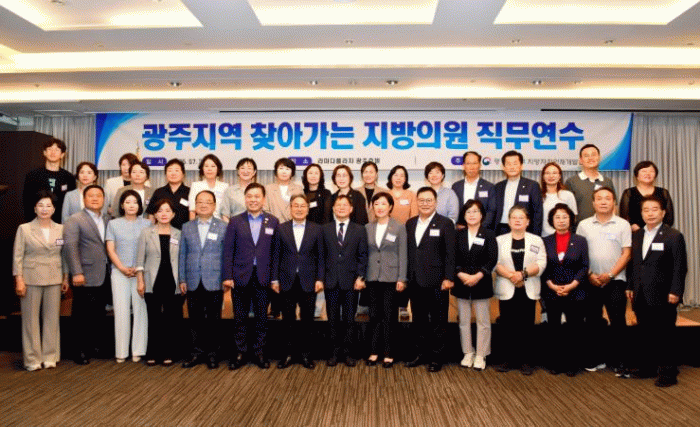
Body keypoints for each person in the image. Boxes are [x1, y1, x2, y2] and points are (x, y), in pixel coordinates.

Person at [625, 195, 687, 387]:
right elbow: (635, 264)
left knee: (665, 335)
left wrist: (676, 291)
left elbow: (680, 267)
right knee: (645, 333)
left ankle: (668, 374)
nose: (650, 213)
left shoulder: (673, 235)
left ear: (663, 212)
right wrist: (630, 285)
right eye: (646, 210)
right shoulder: (637, 235)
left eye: (654, 209)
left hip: (664, 294)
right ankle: (647, 368)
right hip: (640, 293)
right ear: (641, 213)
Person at [223, 183, 280, 370]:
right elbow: (228, 250)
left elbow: (275, 253)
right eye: (249, 196)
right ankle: (240, 352)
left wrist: (274, 278)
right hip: (240, 275)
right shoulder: (235, 221)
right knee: (239, 317)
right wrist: (227, 275)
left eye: (257, 196)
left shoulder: (273, 221)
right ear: (245, 199)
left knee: (262, 317)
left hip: (263, 277)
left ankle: (259, 352)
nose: (253, 200)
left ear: (263, 199)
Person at [576, 187, 631, 374]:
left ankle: (619, 360)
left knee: (618, 321)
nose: (603, 201)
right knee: (592, 321)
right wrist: (590, 274)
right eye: (599, 198)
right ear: (593, 203)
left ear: (614, 202)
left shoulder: (623, 224)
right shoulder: (584, 225)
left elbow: (627, 253)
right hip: (590, 280)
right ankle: (594, 358)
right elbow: (579, 254)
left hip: (615, 280)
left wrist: (611, 274)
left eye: (608, 198)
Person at [13, 191, 69, 370]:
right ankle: (32, 359)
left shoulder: (61, 229)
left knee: (52, 319)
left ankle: (50, 356)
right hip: (31, 278)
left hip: (54, 277)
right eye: (41, 205)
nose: (45, 209)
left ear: (54, 209)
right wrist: (19, 279)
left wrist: (65, 277)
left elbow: (64, 256)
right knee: (30, 321)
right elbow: (17, 257)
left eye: (48, 206)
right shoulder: (24, 229)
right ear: (34, 208)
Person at [404, 187, 455, 373]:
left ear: (435, 202)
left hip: (437, 281)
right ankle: (420, 354)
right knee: (418, 320)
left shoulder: (445, 223)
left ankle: (436, 357)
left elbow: (450, 253)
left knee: (438, 322)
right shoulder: (410, 223)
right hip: (415, 280)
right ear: (417, 202)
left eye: (429, 200)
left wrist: (449, 277)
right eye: (421, 200)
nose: (425, 203)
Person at [271, 194, 324, 370]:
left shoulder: (317, 229)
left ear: (308, 209)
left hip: (309, 281)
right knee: (288, 320)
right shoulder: (281, 228)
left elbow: (321, 257)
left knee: (308, 320)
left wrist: (320, 279)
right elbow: (276, 255)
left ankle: (306, 355)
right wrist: (274, 279)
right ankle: (288, 354)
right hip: (286, 280)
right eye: (296, 205)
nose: (299, 209)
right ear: (290, 208)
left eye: (302, 206)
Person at [494, 205, 547, 375]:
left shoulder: (536, 240)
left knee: (526, 326)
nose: (517, 220)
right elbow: (495, 263)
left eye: (521, 218)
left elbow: (541, 263)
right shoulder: (499, 240)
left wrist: (522, 275)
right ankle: (508, 360)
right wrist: (512, 276)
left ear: (528, 222)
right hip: (507, 287)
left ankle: (526, 361)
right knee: (507, 325)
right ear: (509, 221)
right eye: (514, 217)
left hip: (528, 288)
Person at [179, 190, 227, 369]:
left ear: (214, 206)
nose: (204, 205)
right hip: (192, 279)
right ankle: (196, 353)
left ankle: (213, 354)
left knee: (214, 320)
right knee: (195, 319)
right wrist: (182, 278)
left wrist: (226, 278)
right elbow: (182, 254)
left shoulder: (223, 226)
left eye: (208, 202)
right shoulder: (187, 227)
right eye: (200, 202)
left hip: (215, 279)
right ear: (195, 205)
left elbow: (226, 255)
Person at [63, 184, 110, 365]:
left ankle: (94, 346)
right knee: (81, 313)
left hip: (104, 272)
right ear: (84, 199)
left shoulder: (107, 219)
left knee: (98, 312)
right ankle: (79, 350)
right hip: (84, 274)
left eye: (99, 195)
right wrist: (76, 272)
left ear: (104, 199)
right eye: (91, 195)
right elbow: (70, 247)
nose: (95, 198)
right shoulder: (75, 219)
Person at [541, 203, 589, 376]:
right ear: (551, 220)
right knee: (554, 328)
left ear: (571, 219)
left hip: (575, 291)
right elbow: (542, 266)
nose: (561, 220)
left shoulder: (580, 240)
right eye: (557, 217)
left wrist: (572, 285)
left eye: (565, 217)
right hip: (552, 291)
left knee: (574, 329)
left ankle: (572, 364)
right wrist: (551, 285)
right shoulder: (545, 241)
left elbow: (584, 266)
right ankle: (556, 363)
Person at [322, 194, 368, 367]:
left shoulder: (359, 229)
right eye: (338, 205)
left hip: (351, 282)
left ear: (351, 209)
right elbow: (321, 256)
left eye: (344, 205)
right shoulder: (325, 229)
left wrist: (360, 277)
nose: (341, 207)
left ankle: (348, 353)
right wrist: (321, 278)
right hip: (331, 281)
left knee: (349, 320)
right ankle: (334, 353)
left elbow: (363, 255)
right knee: (332, 319)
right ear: (333, 208)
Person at [105, 190, 151, 363]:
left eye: (135, 202)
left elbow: (149, 249)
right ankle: (121, 351)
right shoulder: (113, 224)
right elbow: (110, 249)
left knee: (140, 311)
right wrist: (122, 268)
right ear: (122, 205)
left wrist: (139, 270)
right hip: (119, 272)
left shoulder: (147, 224)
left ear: (140, 205)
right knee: (121, 311)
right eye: (128, 202)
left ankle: (138, 350)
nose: (131, 205)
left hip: (141, 273)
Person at [136, 199, 183, 366]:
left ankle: (168, 353)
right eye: (160, 211)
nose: (164, 214)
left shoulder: (179, 234)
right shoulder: (146, 233)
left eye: (168, 210)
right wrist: (140, 281)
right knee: (153, 318)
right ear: (154, 214)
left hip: (172, 281)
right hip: (152, 280)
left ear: (173, 214)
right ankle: (152, 353)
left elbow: (182, 259)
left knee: (170, 319)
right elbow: (139, 260)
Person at [452, 200, 497, 371]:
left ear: (482, 215)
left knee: (483, 322)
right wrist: (461, 274)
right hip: (462, 282)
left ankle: (481, 354)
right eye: (468, 212)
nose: (472, 215)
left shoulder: (489, 234)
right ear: (464, 215)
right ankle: (468, 352)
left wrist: (478, 276)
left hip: (481, 282)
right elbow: (452, 258)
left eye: (475, 211)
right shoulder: (458, 234)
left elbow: (492, 259)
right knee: (463, 321)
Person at [364, 192, 407, 368]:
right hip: (372, 277)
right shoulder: (367, 227)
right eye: (376, 204)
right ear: (372, 207)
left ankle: (389, 353)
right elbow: (364, 254)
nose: (380, 207)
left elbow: (403, 254)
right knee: (374, 316)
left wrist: (402, 278)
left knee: (389, 316)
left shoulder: (399, 227)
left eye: (383, 203)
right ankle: (374, 352)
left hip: (391, 278)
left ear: (390, 207)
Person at [23, 138, 75, 223]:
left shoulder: (69, 177)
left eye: (57, 150)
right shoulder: (33, 175)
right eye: (50, 149)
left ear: (62, 154)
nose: (53, 152)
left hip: (61, 223)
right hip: (36, 221)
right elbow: (27, 201)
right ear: (44, 153)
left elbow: (71, 204)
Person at [493, 151, 543, 236]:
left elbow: (537, 213)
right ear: (503, 167)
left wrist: (535, 235)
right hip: (501, 229)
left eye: (515, 163)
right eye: (508, 164)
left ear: (521, 166)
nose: (512, 167)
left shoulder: (532, 185)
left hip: (524, 230)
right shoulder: (498, 186)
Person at [565, 144, 616, 226]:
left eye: (593, 155)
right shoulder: (571, 182)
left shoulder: (607, 181)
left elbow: (613, 206)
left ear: (599, 158)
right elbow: (566, 209)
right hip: (580, 229)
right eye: (586, 156)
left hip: (605, 227)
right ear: (580, 160)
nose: (590, 158)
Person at [619, 160, 674, 232]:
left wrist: (660, 229)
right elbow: (624, 216)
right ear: (637, 176)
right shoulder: (629, 193)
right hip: (635, 232)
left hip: (660, 232)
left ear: (655, 176)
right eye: (644, 171)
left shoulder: (663, 192)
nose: (648, 174)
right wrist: (632, 226)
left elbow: (669, 217)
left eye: (651, 171)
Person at [452, 151, 496, 230]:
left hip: (482, 229)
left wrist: (479, 227)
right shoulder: (456, 186)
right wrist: (457, 225)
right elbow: (453, 209)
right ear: (463, 166)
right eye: (468, 163)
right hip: (461, 229)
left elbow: (491, 211)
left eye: (474, 163)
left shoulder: (489, 187)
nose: (471, 167)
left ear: (479, 165)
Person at [145, 158, 190, 230]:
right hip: (161, 232)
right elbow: (151, 214)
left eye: (177, 170)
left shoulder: (190, 192)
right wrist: (152, 231)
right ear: (166, 174)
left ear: (183, 174)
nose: (173, 173)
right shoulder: (158, 192)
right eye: (170, 170)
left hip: (184, 232)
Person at [540, 162, 577, 237]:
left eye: (554, 173)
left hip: (563, 237)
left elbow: (573, 218)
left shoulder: (568, 195)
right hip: (543, 237)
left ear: (559, 176)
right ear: (543, 176)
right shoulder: (538, 196)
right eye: (547, 173)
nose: (551, 176)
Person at [105, 153, 146, 218]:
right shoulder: (111, 182)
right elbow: (104, 204)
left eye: (129, 165)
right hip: (117, 218)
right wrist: (114, 211)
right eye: (123, 165)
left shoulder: (144, 183)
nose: (126, 168)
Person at [188, 154, 229, 220]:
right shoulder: (195, 186)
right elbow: (192, 210)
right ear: (202, 169)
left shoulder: (225, 186)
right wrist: (192, 225)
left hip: (219, 222)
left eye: (213, 166)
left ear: (218, 169)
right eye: (206, 166)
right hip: (200, 222)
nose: (209, 169)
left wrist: (226, 225)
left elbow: (225, 212)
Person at [265, 157, 303, 223]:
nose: (284, 172)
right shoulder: (268, 188)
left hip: (293, 225)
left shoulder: (298, 189)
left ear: (292, 173)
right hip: (274, 225)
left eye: (287, 169)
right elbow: (265, 209)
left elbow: (301, 209)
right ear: (276, 171)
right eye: (281, 168)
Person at [221, 158, 257, 222]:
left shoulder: (259, 190)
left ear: (254, 172)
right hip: (235, 226)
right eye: (242, 168)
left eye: (249, 168)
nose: (245, 171)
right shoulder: (230, 191)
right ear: (238, 171)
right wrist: (231, 227)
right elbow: (225, 215)